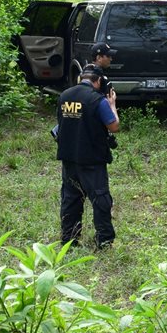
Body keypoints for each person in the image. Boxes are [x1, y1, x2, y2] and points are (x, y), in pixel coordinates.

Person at [56, 65, 120, 249]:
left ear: (81, 78)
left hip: (69, 158)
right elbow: (113, 126)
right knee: (100, 199)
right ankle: (105, 240)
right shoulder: (97, 100)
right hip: (92, 160)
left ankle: (69, 240)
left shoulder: (64, 96)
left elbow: (60, 125)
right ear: (98, 81)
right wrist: (112, 105)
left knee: (70, 200)